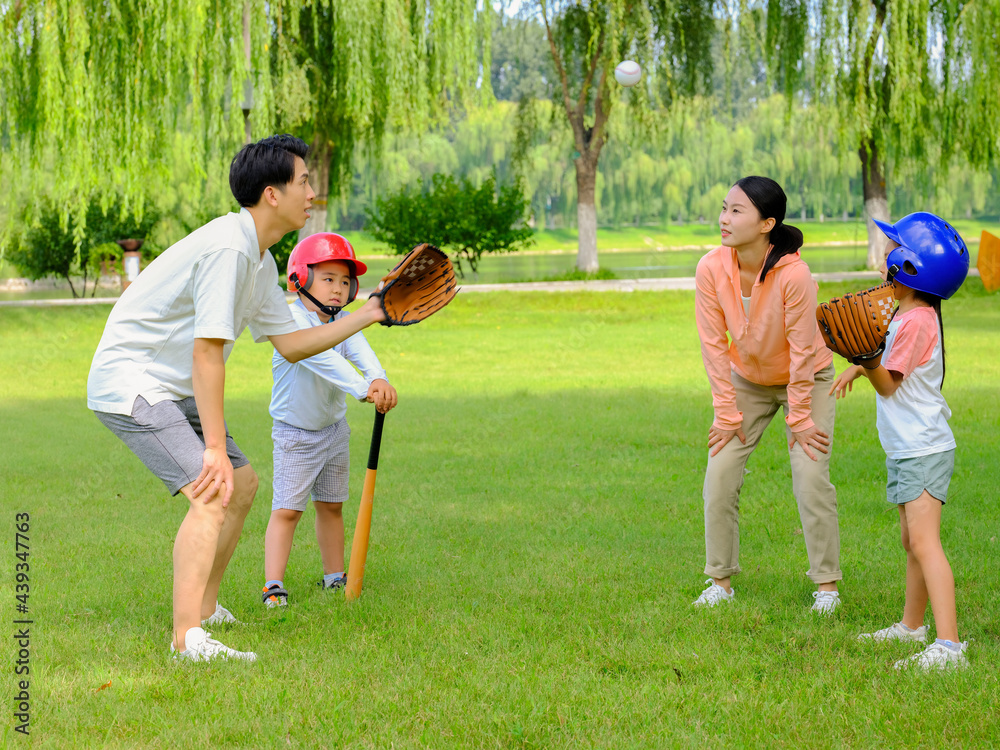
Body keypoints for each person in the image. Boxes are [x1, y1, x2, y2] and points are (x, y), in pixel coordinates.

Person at [88, 134, 389, 662]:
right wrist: (211, 452)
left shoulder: (259, 260)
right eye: (304, 181)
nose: (312, 192)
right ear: (272, 194)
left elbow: (292, 345)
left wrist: (367, 313)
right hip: (132, 382)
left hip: (171, 385)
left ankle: (205, 610)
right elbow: (208, 354)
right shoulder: (230, 247)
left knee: (243, 483)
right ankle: (186, 640)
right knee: (212, 491)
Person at [693, 175, 841, 613]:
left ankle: (827, 588)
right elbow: (714, 346)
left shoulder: (794, 274)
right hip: (747, 381)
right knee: (718, 477)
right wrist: (725, 414)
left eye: (736, 211)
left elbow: (801, 351)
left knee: (811, 478)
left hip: (807, 378)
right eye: (724, 208)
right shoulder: (710, 268)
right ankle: (720, 581)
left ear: (766, 223)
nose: (723, 218)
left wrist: (799, 417)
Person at [831, 212, 970, 670]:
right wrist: (860, 364)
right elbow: (892, 362)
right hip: (909, 446)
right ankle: (912, 627)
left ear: (909, 266)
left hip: (923, 447)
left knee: (926, 543)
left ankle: (949, 647)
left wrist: (865, 358)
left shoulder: (916, 321)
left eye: (892, 246)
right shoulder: (908, 314)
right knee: (912, 542)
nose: (884, 252)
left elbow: (889, 382)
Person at [261, 233, 397, 608]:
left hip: (334, 430)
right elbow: (323, 360)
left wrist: (378, 379)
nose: (338, 289)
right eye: (328, 278)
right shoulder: (291, 321)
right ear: (300, 278)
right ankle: (273, 585)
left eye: (344, 281)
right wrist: (361, 388)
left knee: (332, 505)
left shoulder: (345, 321)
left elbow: (361, 352)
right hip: (295, 434)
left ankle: (334, 577)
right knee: (287, 509)